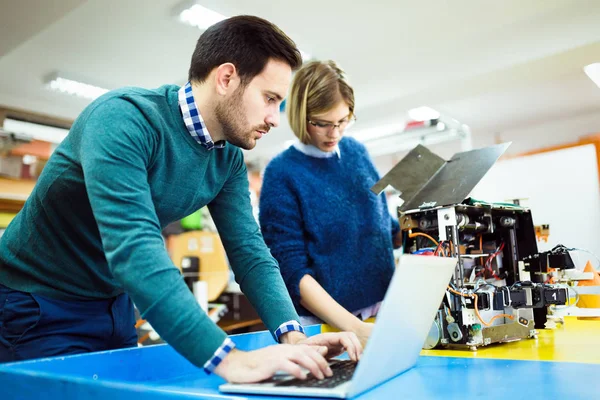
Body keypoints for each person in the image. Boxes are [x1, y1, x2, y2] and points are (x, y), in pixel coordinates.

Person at [0, 16, 361, 383]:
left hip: (115, 304)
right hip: (36, 303)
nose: (274, 118)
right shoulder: (123, 119)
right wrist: (233, 361)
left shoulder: (227, 158)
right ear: (226, 78)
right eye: (269, 99)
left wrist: (294, 336)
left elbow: (250, 251)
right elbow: (134, 249)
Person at [258, 60, 401, 347]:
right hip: (330, 327)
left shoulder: (356, 152)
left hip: (383, 312)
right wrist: (353, 327)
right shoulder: (282, 173)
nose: (334, 133)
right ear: (300, 115)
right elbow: (291, 271)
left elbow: (384, 226)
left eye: (342, 121)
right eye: (322, 124)